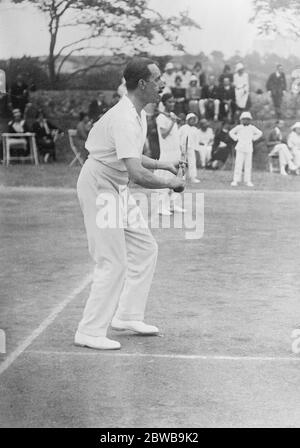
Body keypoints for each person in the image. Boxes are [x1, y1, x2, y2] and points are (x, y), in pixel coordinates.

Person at [75, 57, 185, 350]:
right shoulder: (124, 117)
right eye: (158, 79)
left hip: (117, 184)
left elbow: (133, 158)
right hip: (100, 185)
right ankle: (89, 331)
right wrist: (169, 182)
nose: (162, 84)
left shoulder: (139, 113)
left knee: (145, 248)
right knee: (113, 261)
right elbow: (137, 173)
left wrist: (165, 164)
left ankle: (127, 315)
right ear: (142, 84)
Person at [156, 93, 185, 215]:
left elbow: (175, 136)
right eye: (169, 102)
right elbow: (164, 134)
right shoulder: (160, 118)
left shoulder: (172, 115)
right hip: (166, 153)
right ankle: (161, 207)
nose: (172, 104)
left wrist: (181, 151)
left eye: (173, 102)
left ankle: (174, 205)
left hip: (176, 152)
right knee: (165, 179)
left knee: (177, 179)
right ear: (164, 103)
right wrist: (172, 122)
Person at [230, 111, 262, 187]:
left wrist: (253, 139)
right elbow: (231, 132)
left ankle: (248, 181)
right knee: (238, 164)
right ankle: (236, 180)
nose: (246, 121)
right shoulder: (239, 127)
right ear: (241, 120)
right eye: (244, 119)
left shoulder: (252, 128)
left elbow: (260, 133)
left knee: (248, 165)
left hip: (248, 148)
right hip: (240, 148)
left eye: (247, 119)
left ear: (250, 120)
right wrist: (236, 138)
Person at [179, 113, 200, 183]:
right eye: (191, 119)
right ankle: (182, 176)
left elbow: (196, 140)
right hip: (182, 147)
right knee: (182, 162)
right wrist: (179, 146)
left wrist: (197, 149)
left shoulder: (195, 129)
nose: (193, 121)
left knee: (192, 162)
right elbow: (178, 137)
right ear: (187, 120)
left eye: (194, 119)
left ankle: (193, 177)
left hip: (191, 148)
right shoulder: (183, 128)